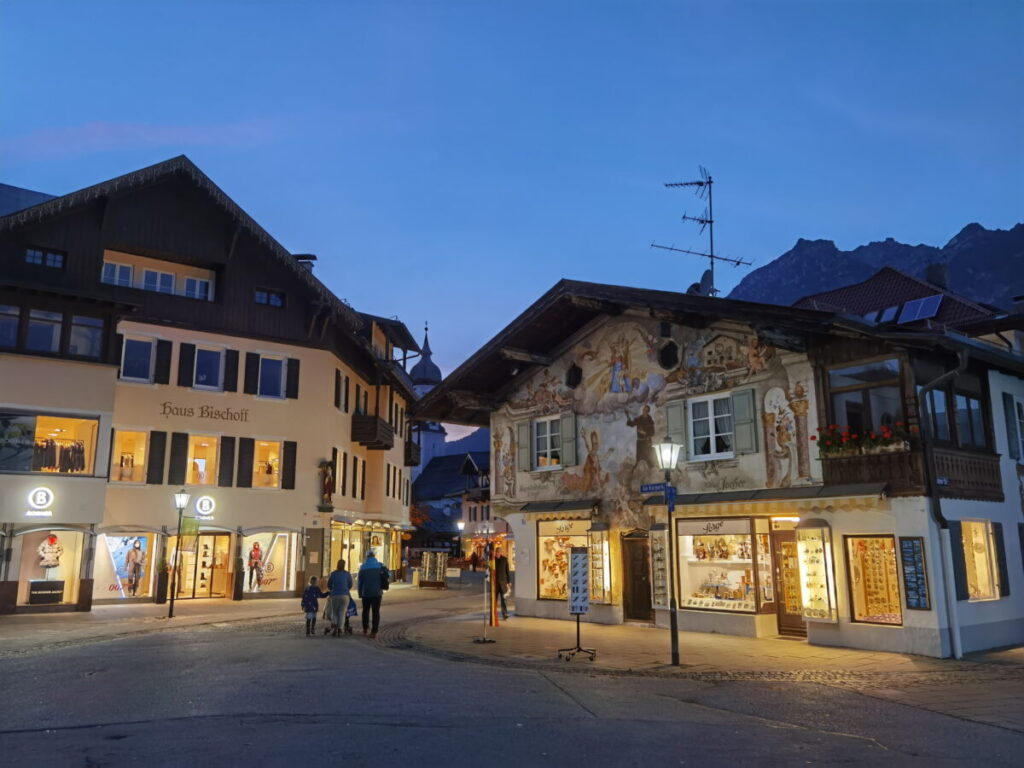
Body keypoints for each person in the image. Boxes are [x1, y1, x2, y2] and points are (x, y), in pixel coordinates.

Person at [357, 549, 389, 638]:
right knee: (376, 612)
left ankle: (365, 628)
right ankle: (374, 631)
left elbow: (360, 582)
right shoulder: (380, 566)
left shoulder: (363, 567)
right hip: (377, 593)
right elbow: (387, 575)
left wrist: (360, 592)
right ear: (375, 556)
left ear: (367, 556)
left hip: (366, 592)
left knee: (365, 611)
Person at [325, 558, 353, 637]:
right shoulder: (347, 574)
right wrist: (346, 589)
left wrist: (332, 589)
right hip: (345, 595)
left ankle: (334, 628)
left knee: (335, 612)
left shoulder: (333, 574)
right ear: (344, 566)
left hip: (335, 595)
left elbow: (329, 584)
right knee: (342, 612)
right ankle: (340, 628)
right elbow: (350, 584)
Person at [494, 547, 511, 620]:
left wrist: (509, 581)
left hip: (503, 583)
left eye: (499, 552)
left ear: (501, 552)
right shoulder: (492, 560)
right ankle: (493, 614)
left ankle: (505, 614)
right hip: (495, 584)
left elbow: (507, 571)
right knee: (494, 600)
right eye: (497, 552)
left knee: (504, 599)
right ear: (495, 552)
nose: (498, 553)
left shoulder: (504, 559)